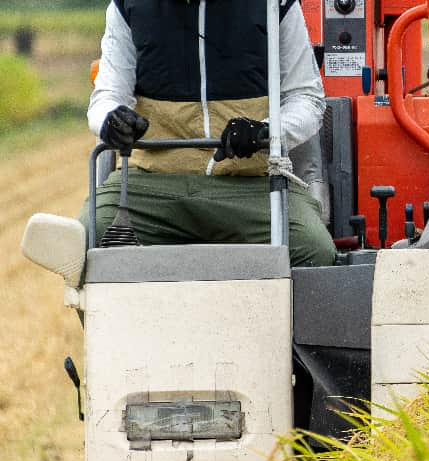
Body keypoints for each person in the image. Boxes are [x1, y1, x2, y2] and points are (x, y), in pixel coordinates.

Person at [85, 0, 335, 267]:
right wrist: (111, 120)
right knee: (85, 239)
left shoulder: (275, 4)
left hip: (252, 186)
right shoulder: (128, 5)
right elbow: (108, 96)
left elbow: (306, 97)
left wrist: (266, 131)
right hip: (151, 185)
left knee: (314, 250)